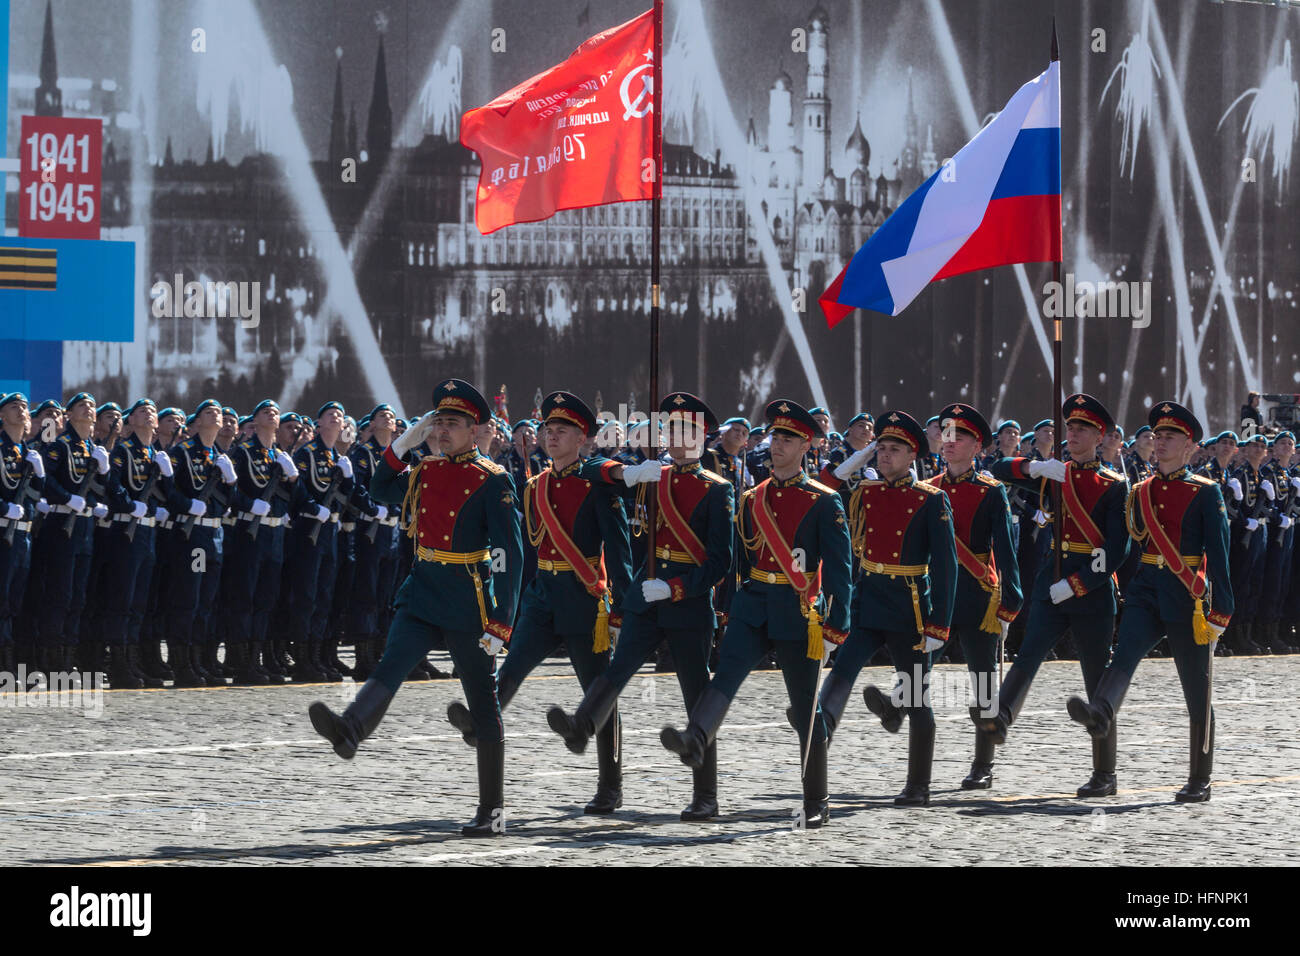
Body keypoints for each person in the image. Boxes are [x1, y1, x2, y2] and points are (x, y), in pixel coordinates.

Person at [309, 379, 522, 837]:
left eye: (453, 424)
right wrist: (402, 444)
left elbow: (510, 555)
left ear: (475, 429)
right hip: (424, 589)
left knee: (483, 703)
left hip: (469, 597)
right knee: (392, 663)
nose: (443, 432)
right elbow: (381, 488)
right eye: (438, 423)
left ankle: (493, 811)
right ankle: (351, 729)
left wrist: (502, 620)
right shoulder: (424, 470)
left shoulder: (493, 479)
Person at [660, 400, 851, 828]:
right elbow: (741, 562)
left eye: (787, 438)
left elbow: (840, 573)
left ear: (807, 445)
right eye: (774, 436)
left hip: (798, 611)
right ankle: (696, 736)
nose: (777, 444)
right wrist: (727, 610)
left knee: (805, 707)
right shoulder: (752, 497)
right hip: (752, 604)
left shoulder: (824, 502)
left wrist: (837, 625)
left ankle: (816, 797)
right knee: (724, 676)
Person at [448, 391, 635, 814]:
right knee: (511, 670)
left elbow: (620, 551)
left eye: (562, 430)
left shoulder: (596, 486)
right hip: (542, 596)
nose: (551, 437)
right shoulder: (534, 486)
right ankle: (481, 722)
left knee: (598, 693)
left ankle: (611, 784)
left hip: (585, 599)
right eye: (548, 430)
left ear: (582, 437)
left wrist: (623, 607)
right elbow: (526, 549)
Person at [547, 393, 732, 820]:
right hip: (644, 598)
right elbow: (591, 469)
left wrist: (678, 589)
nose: (678, 439)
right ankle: (583, 730)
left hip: (685, 604)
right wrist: (631, 471)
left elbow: (721, 562)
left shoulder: (717, 490)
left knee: (695, 695)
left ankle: (706, 795)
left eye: (688, 431)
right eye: (672, 430)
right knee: (616, 672)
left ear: (704, 437)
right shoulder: (651, 475)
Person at [1067, 401, 1233, 803]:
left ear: (1191, 446)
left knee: (1197, 690)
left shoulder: (1205, 493)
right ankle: (1101, 712)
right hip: (1145, 590)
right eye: (1156, 436)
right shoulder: (1140, 491)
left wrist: (1220, 610)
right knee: (1122, 656)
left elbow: (1221, 557)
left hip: (1186, 596)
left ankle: (1200, 776)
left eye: (1169, 436)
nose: (1160, 443)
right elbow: (1128, 547)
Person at [974, 394, 1131, 798]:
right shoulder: (1051, 473)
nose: (1073, 434)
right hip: (1050, 580)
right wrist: (1034, 465)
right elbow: (996, 468)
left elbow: (1117, 550)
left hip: (1090, 590)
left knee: (1096, 678)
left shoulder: (1114, 486)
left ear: (1100, 437)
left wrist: (1077, 584)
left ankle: (1104, 773)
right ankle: (1001, 717)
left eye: (1083, 429)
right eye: (1070, 427)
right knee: (1028, 655)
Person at [807, 409, 957, 806]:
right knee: (840, 674)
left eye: (894, 449)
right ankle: (819, 740)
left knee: (915, 696)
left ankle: (918, 785)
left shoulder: (932, 500)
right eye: (881, 448)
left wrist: (938, 624)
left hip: (909, 607)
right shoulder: (866, 492)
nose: (884, 455)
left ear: (913, 456)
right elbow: (825, 486)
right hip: (869, 600)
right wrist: (857, 458)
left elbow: (946, 568)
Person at [922, 403, 1021, 789]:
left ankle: (983, 763)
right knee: (917, 673)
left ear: (977, 445)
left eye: (958, 436)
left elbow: (1007, 551)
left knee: (982, 682)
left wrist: (1011, 599)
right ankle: (917, 756)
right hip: (937, 597)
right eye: (945, 434)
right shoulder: (928, 489)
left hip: (979, 595)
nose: (948, 442)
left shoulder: (991, 492)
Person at [225, 399, 298, 684]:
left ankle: (257, 659)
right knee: (245, 598)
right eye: (266, 411)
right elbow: (228, 490)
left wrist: (293, 479)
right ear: (254, 422)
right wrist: (247, 505)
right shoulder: (242, 452)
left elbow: (297, 500)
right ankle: (242, 663)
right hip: (249, 533)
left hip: (275, 534)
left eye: (276, 412)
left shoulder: (280, 455)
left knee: (266, 600)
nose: (272, 414)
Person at [0, 392, 44, 679]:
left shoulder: (28, 452)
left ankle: (9, 662)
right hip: (4, 532)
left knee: (15, 601)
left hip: (23, 536)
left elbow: (35, 496)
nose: (21, 411)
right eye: (13, 406)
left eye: (25, 407)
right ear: (2, 416)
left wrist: (39, 474)